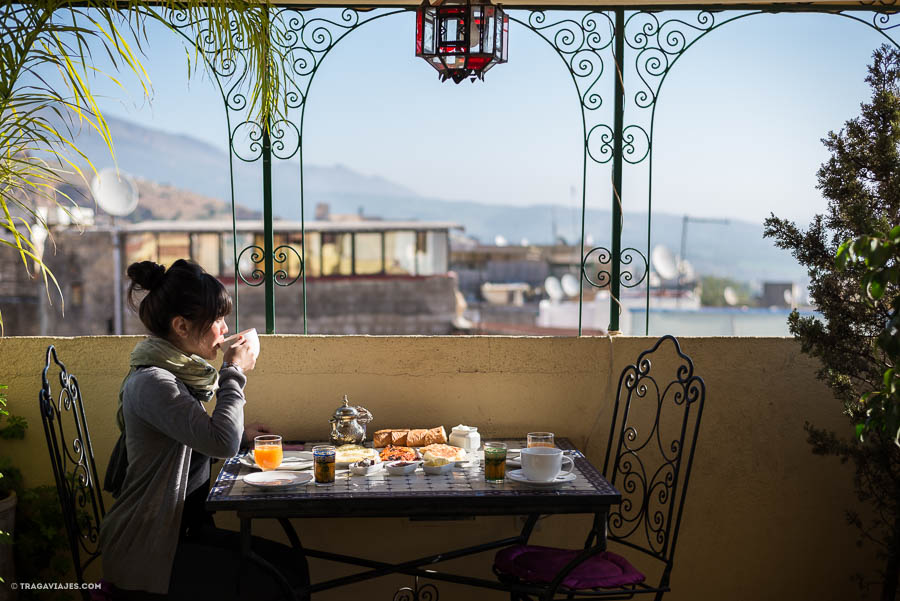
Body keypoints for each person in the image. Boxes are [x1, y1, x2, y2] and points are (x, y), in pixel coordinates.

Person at [99, 259, 304, 600]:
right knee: (276, 584)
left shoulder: (176, 374)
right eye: (217, 320)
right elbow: (220, 443)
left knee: (291, 567)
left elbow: (200, 438)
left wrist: (243, 435)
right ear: (181, 326)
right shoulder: (155, 382)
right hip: (149, 546)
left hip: (183, 530)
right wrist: (235, 371)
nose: (225, 329)